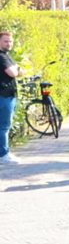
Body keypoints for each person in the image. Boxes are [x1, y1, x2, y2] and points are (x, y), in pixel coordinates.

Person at [0, 31, 25, 165]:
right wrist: (16, 70)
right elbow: (13, 72)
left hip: (9, 95)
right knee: (4, 126)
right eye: (6, 41)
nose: (9, 44)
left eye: (10, 41)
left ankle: (5, 152)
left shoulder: (7, 56)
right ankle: (4, 154)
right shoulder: (1, 57)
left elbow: (19, 71)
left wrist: (17, 70)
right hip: (3, 95)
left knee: (4, 126)